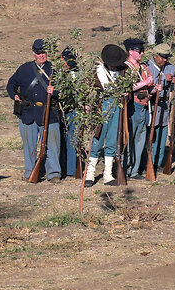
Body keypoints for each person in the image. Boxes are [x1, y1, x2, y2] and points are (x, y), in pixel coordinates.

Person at [7, 39, 62, 183]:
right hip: (28, 113)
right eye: (38, 53)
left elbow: (65, 90)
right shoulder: (25, 68)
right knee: (29, 146)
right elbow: (11, 83)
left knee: (52, 146)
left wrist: (55, 91)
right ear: (33, 54)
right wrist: (14, 96)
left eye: (43, 52)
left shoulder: (54, 69)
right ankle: (30, 172)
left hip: (49, 113)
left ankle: (54, 173)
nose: (41, 55)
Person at [84, 44, 128, 187]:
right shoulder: (97, 72)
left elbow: (129, 90)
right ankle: (90, 174)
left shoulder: (123, 72)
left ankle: (108, 175)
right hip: (100, 107)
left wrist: (126, 95)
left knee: (112, 141)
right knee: (97, 140)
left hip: (117, 107)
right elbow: (87, 89)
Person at [147, 43, 175, 174]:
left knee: (163, 135)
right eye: (162, 57)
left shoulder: (171, 68)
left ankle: (158, 163)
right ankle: (146, 162)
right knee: (151, 136)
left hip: (165, 106)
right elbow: (148, 84)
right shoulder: (147, 67)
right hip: (150, 105)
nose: (165, 60)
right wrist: (163, 79)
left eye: (167, 57)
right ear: (155, 56)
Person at [122, 39, 156, 179]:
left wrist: (154, 89)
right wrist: (145, 83)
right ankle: (126, 168)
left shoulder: (143, 67)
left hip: (144, 105)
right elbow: (126, 87)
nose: (141, 53)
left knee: (140, 139)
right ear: (131, 51)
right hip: (132, 106)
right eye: (139, 51)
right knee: (129, 138)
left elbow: (150, 83)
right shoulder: (125, 68)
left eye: (142, 51)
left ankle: (135, 170)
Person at [57, 48, 81, 178]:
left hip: (72, 110)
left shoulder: (75, 74)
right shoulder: (60, 73)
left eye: (63, 60)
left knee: (72, 140)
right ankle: (63, 167)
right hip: (62, 110)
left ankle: (71, 169)